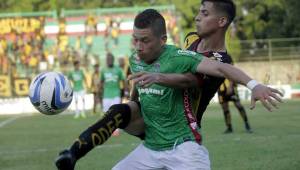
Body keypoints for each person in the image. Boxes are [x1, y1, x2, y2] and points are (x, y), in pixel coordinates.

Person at [55, 8, 282, 170]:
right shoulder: (135, 59)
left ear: (163, 39)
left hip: (183, 148)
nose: (139, 47)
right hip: (150, 148)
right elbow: (138, 88)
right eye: (135, 40)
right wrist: (132, 106)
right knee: (120, 110)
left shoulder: (180, 57)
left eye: (145, 41)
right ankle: (72, 154)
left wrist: (254, 84)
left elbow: (221, 68)